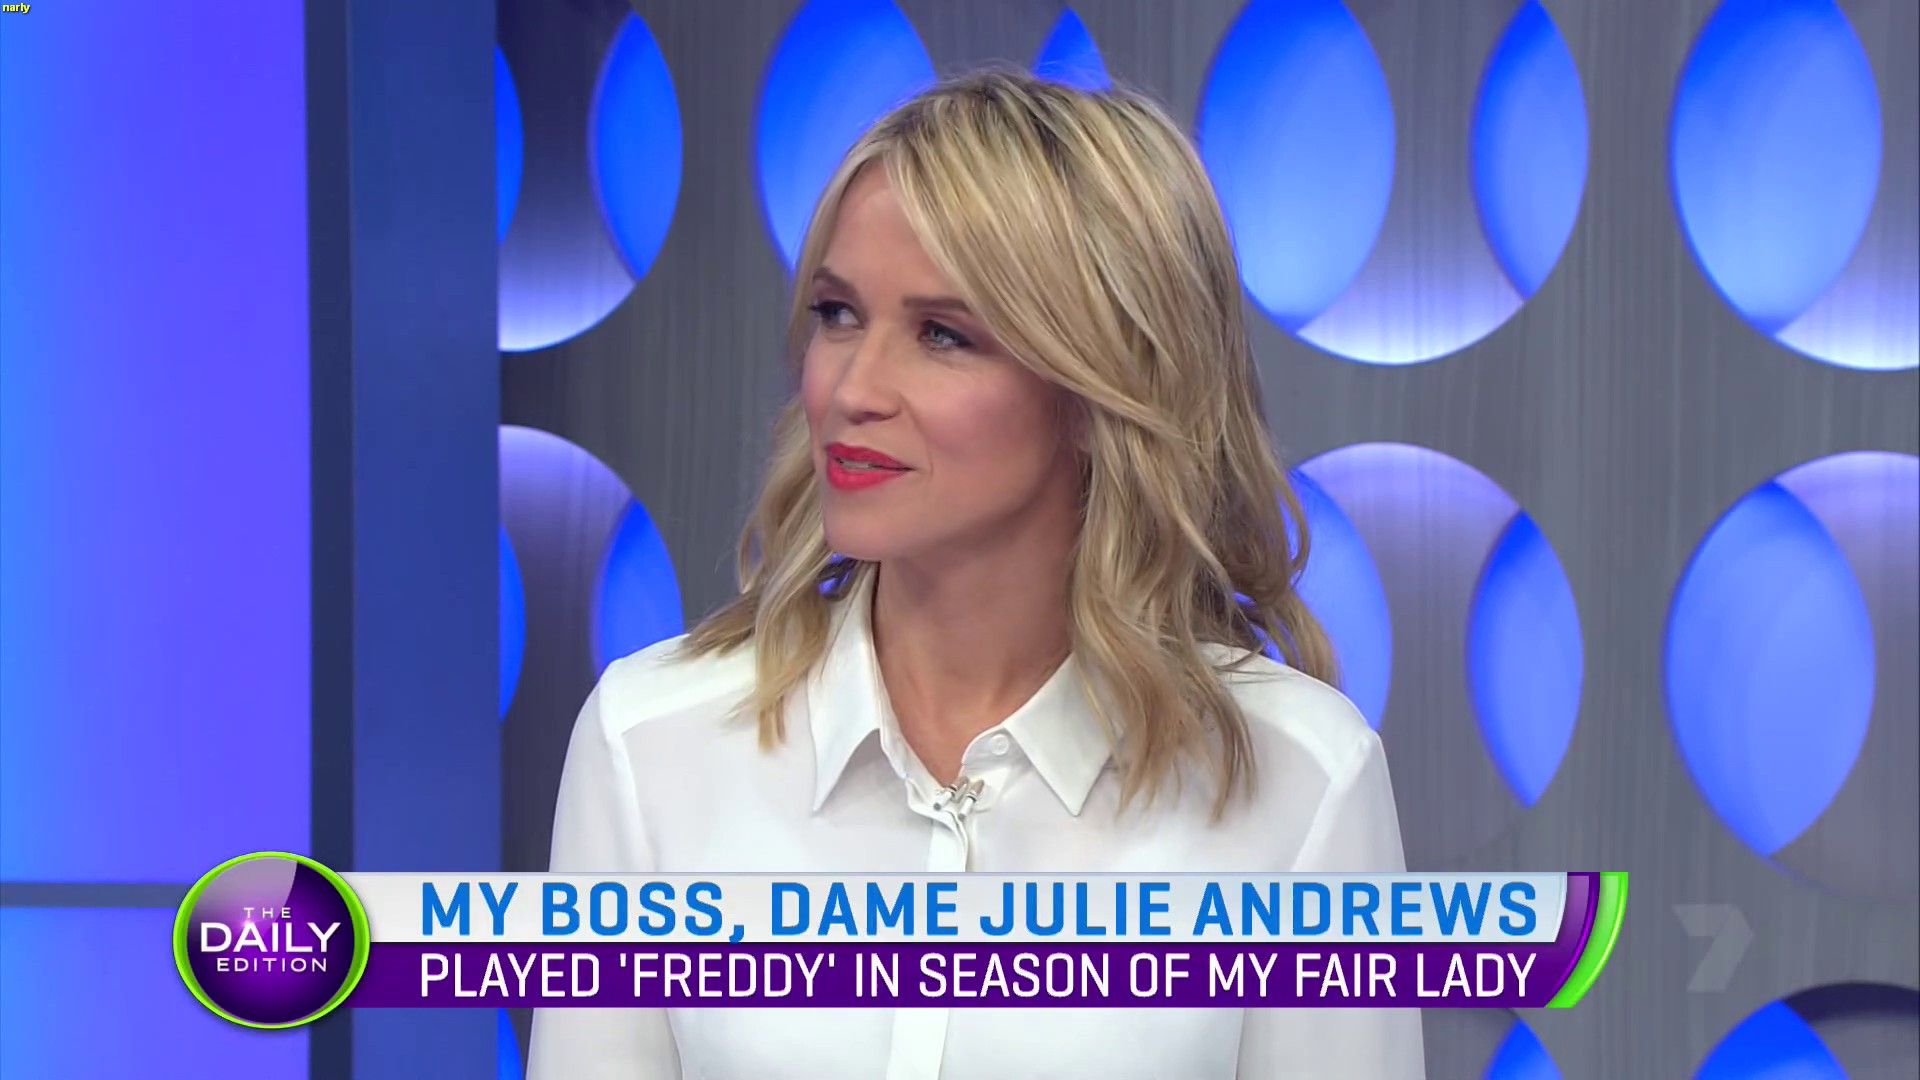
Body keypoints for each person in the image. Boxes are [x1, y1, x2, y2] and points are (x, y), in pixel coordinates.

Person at [528, 68, 1422, 1079]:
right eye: (837, 313)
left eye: (943, 335)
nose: (853, 388)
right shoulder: (652, 743)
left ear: (1101, 387)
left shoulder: (1301, 782)